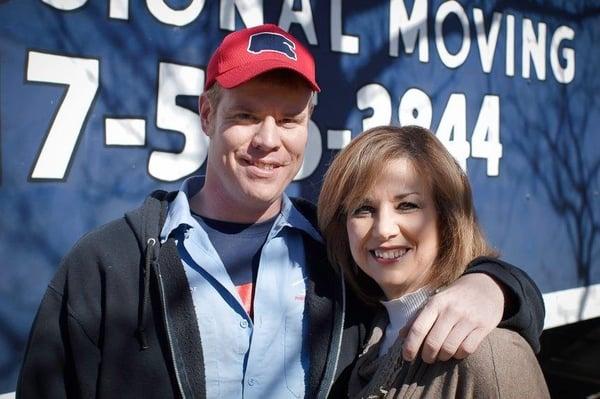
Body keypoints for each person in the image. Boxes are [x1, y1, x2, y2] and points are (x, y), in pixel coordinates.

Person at [17, 25, 544, 398]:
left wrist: (493, 285)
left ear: (307, 126)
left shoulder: (339, 254)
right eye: (246, 115)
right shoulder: (107, 265)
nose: (268, 140)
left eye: (288, 119)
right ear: (207, 114)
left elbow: (423, 290)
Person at [318, 125, 550, 398]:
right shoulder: (364, 331)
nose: (383, 229)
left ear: (447, 220)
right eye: (363, 209)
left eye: (407, 205)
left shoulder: (489, 355)